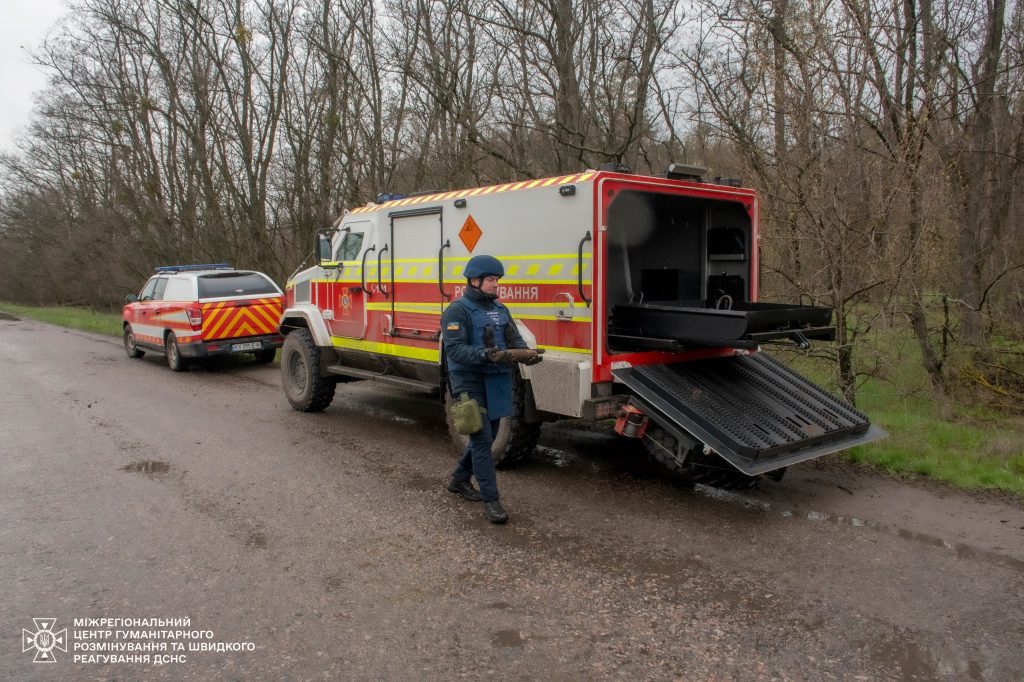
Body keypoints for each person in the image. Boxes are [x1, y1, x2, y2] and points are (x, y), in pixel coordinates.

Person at [442, 254, 543, 523]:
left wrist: (527, 353)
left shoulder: (500, 310)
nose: (495, 284)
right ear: (474, 281)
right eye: (490, 279)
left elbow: (515, 338)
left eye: (496, 279)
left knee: (488, 435)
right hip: (469, 379)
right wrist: (485, 355)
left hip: (497, 378)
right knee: (482, 437)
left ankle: (459, 480)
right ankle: (492, 501)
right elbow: (454, 349)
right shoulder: (456, 310)